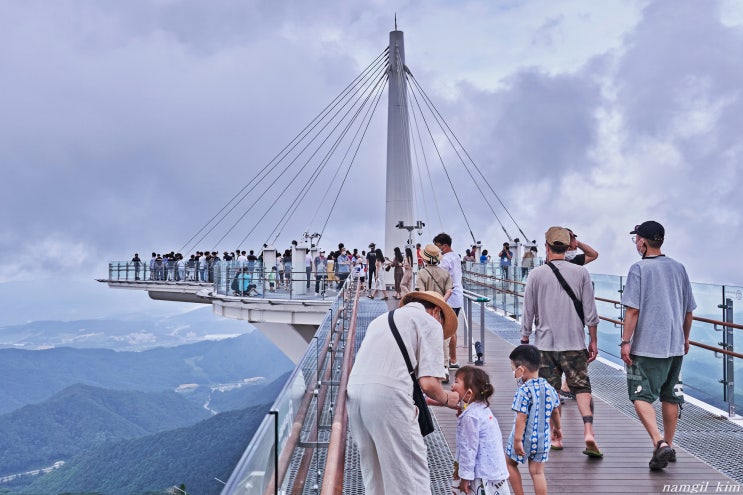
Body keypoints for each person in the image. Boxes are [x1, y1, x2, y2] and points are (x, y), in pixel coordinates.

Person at [347, 291, 461, 495]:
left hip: (354, 394)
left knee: (376, 477)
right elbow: (428, 383)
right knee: (411, 477)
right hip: (389, 399)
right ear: (437, 312)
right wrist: (447, 398)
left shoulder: (380, 320)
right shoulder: (430, 322)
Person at [620, 220, 696, 471]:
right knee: (671, 395)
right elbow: (688, 311)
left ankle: (658, 441)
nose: (636, 244)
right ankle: (669, 445)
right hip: (675, 346)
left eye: (636, 240)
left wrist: (625, 342)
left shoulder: (639, 269)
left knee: (639, 395)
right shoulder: (679, 268)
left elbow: (632, 310)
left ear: (642, 242)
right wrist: (685, 338)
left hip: (646, 346)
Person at [520, 226, 602, 457]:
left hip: (545, 345)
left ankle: (556, 434)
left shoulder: (536, 274)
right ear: (567, 247)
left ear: (546, 246)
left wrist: (525, 337)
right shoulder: (581, 273)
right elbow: (591, 312)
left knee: (551, 391)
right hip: (575, 343)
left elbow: (528, 311)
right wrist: (593, 341)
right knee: (582, 388)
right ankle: (589, 432)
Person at [506, 345, 560, 495]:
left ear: (521, 370)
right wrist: (558, 428)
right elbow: (555, 411)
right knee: (537, 473)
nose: (513, 373)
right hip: (543, 439)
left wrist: (517, 440)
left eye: (513, 369)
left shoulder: (523, 391)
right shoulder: (549, 388)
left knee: (509, 464)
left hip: (523, 438)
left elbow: (521, 418)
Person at [451, 366, 510, 495]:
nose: (452, 385)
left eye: (456, 381)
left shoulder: (471, 417)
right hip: (493, 471)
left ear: (469, 393)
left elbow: (468, 449)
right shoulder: (482, 409)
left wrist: (465, 478)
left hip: (479, 475)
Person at [416, 243, 454, 381]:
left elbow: (420, 292)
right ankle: (444, 367)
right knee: (444, 338)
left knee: (426, 338)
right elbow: (450, 290)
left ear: (425, 259)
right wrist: (441, 301)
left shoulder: (421, 273)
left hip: (427, 310)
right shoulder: (445, 273)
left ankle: (429, 368)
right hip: (442, 310)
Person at [434, 233, 463, 370]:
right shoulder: (456, 257)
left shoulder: (445, 260)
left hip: (449, 297)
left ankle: (447, 361)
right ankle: (453, 359)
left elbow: (439, 278)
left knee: (447, 330)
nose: (437, 249)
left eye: (438, 246)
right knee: (453, 329)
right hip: (457, 296)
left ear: (444, 246)